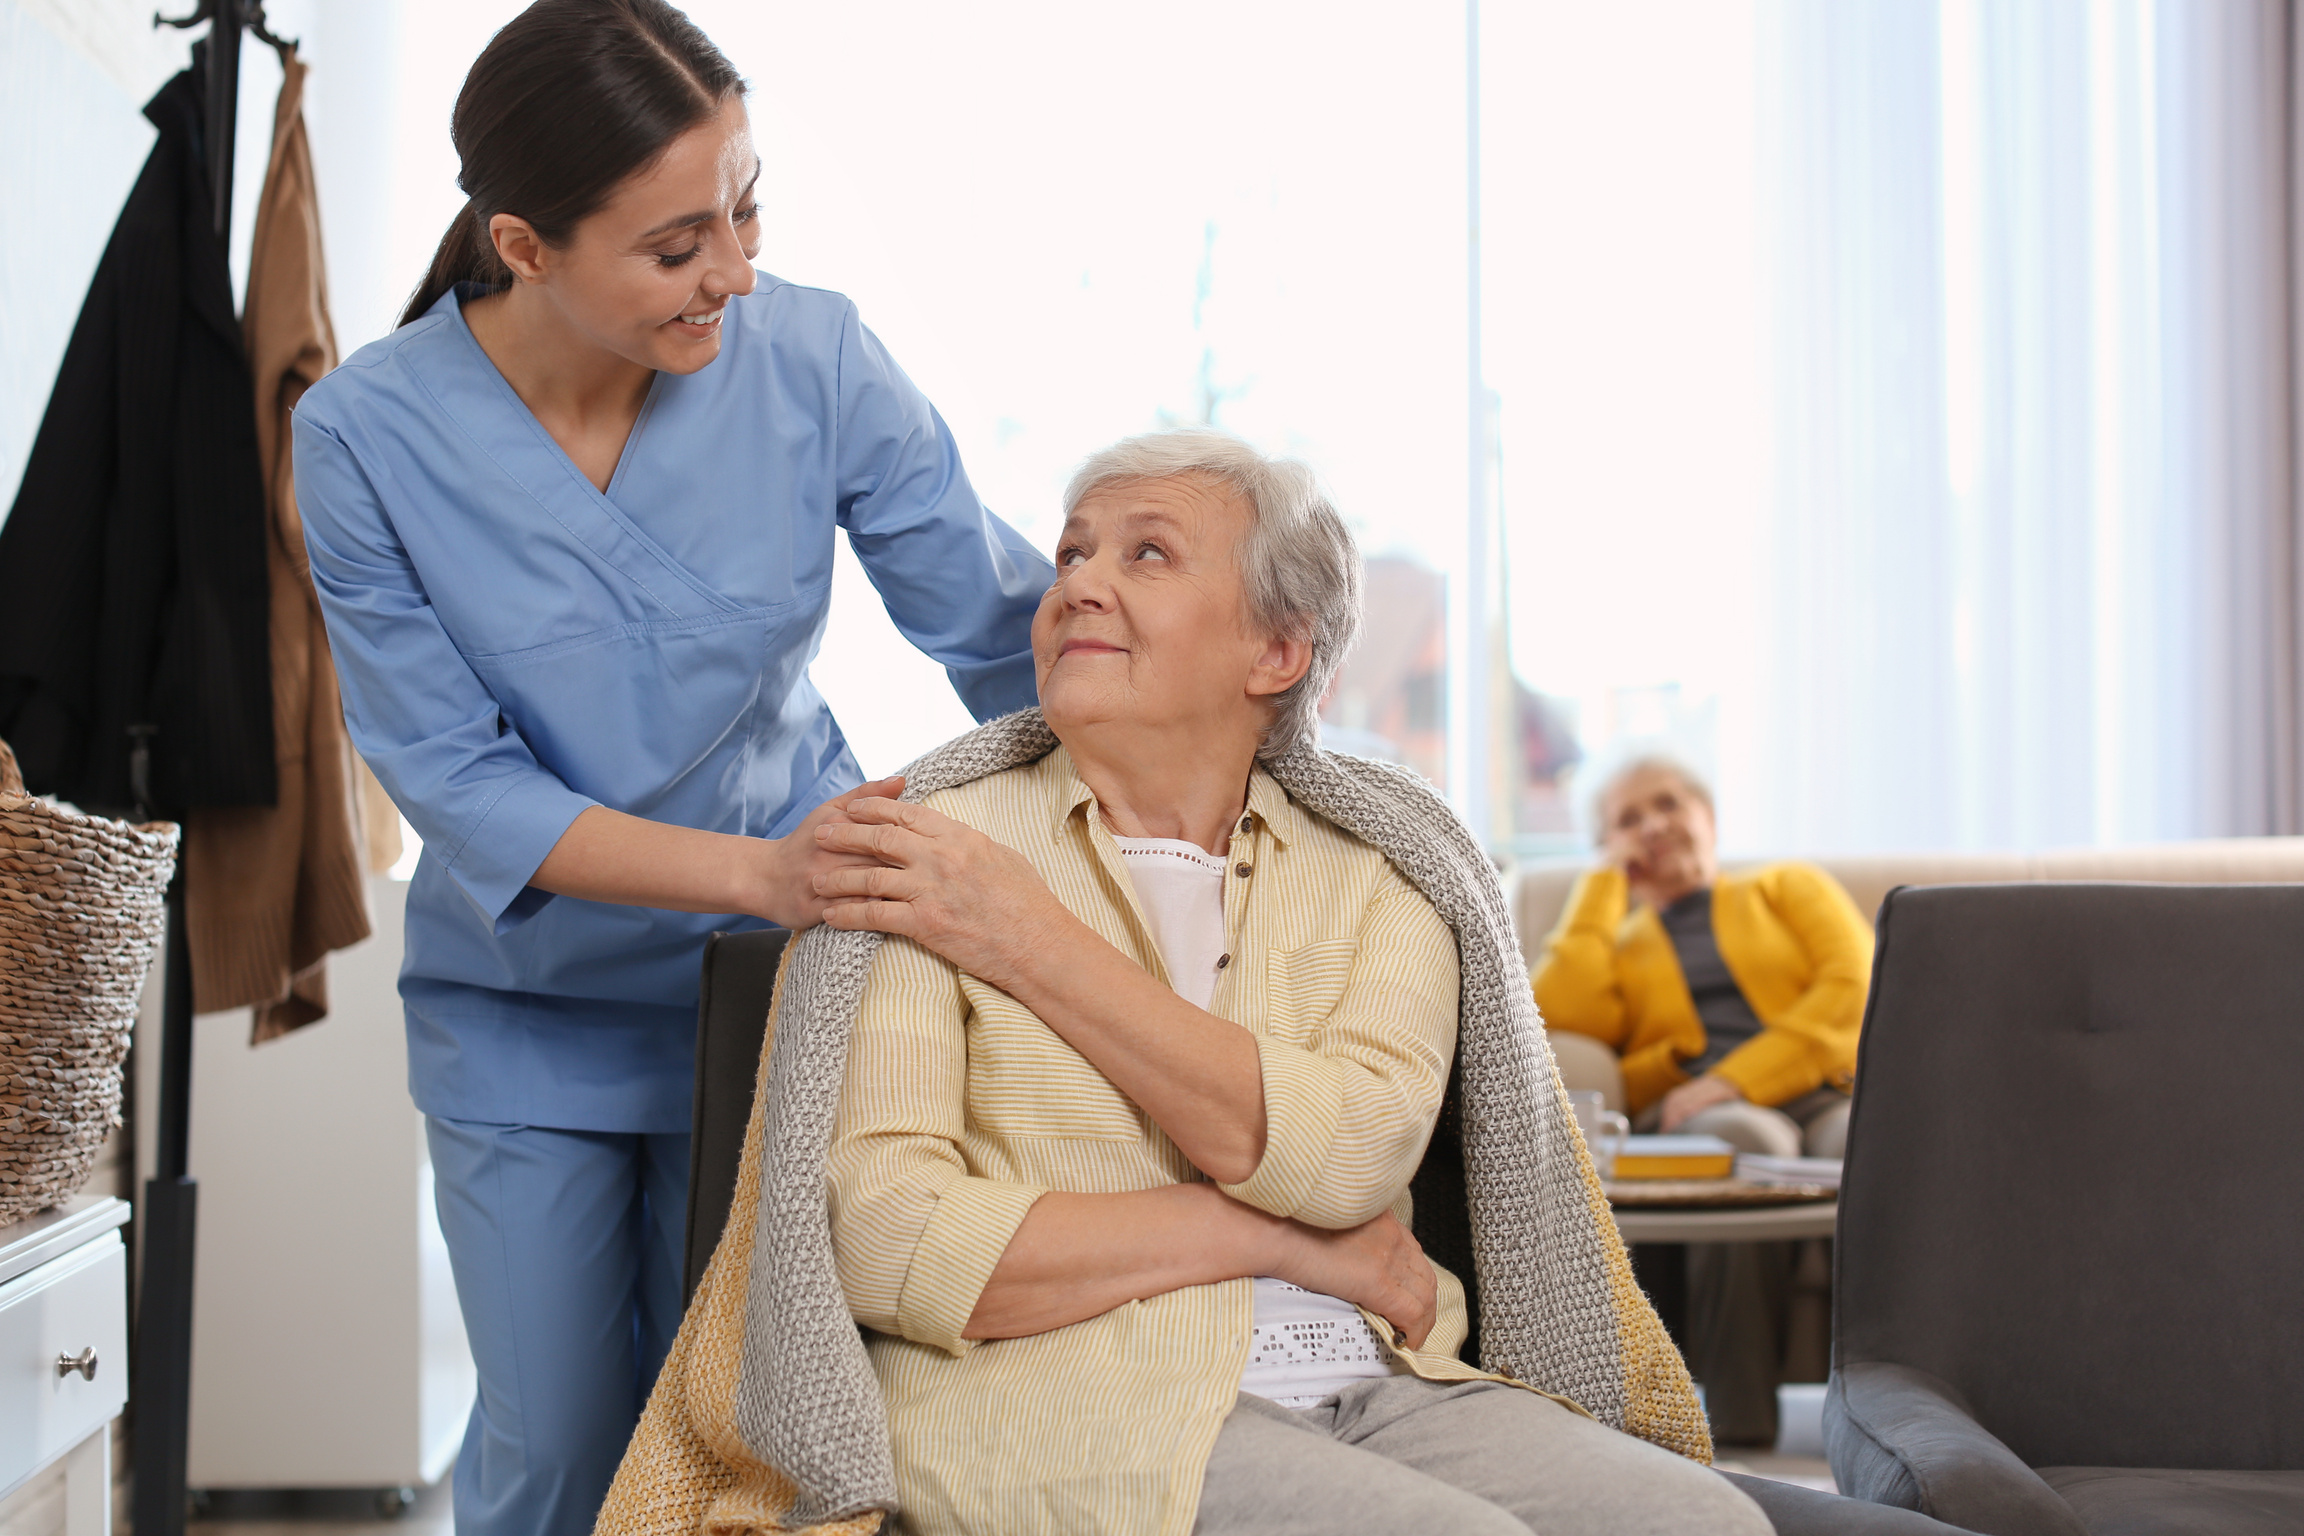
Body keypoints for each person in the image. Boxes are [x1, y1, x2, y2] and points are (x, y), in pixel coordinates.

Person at [290, 4, 1050, 1533]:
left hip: (782, 1000)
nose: (738, 273)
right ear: (523, 244)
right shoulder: (363, 435)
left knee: (748, 1444)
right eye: (679, 244)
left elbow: (993, 623)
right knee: (566, 1449)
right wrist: (764, 872)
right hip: (530, 1015)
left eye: (750, 207)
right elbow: (453, 775)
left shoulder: (813, 358)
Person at [803, 430, 1769, 1536]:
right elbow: (888, 1239)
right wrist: (1278, 1240)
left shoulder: (1388, 868)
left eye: (1147, 555)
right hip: (1075, 1396)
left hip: (1385, 1384)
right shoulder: (937, 855)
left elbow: (1353, 1156)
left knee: (1713, 1527)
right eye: (1073, 554)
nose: (1077, 584)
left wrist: (1029, 938)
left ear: (1276, 652)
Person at [1532, 757, 1874, 1444]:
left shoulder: (1787, 886)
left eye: (1667, 804)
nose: (1654, 825)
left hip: (1824, 1089)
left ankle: (1883, 1411)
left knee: (1863, 1145)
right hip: (1706, 1117)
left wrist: (1736, 1078)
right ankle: (1738, 1429)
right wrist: (1602, 882)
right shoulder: (1622, 944)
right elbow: (1554, 1012)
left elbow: (1852, 986)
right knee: (1747, 1141)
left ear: (1706, 817)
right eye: (1628, 821)